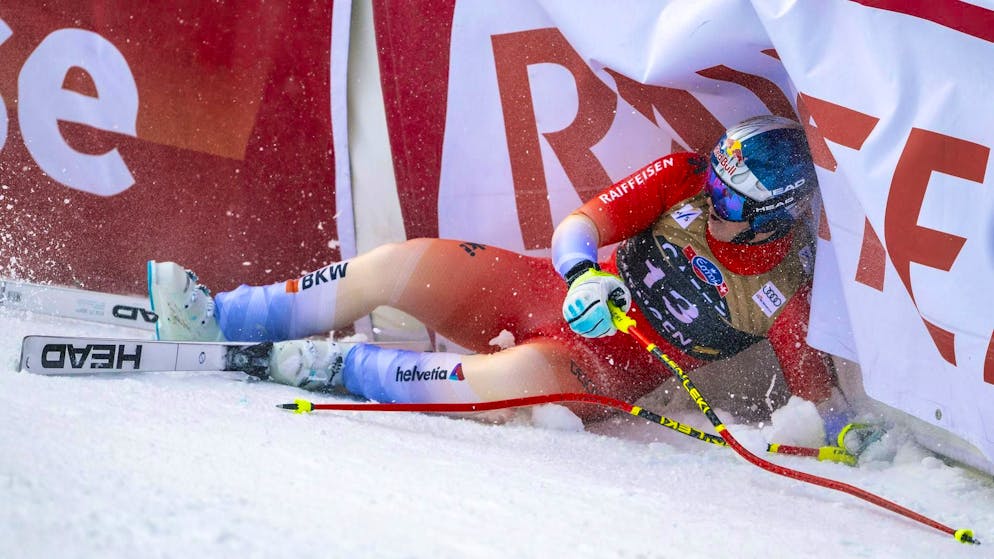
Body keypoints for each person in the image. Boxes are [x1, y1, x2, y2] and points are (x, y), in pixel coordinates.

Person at [148, 115, 865, 449]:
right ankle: (228, 315)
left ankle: (334, 366)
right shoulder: (684, 180)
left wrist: (861, 437)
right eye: (713, 175)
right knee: (406, 261)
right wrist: (583, 271)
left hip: (592, 369)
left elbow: (819, 396)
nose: (711, 198)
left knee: (502, 380)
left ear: (774, 221)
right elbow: (582, 224)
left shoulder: (784, 288)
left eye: (731, 200)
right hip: (549, 293)